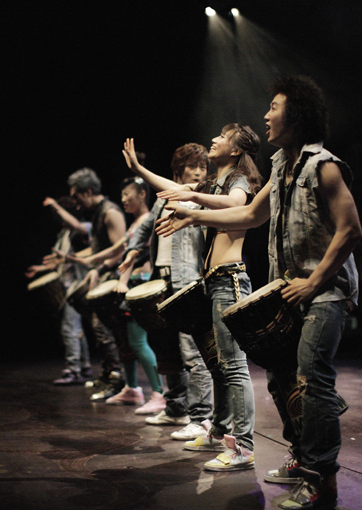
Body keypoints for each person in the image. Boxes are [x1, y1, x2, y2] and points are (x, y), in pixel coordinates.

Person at [156, 76, 361, 508]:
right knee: (281, 378)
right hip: (291, 290)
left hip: (325, 292)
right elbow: (250, 214)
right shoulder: (282, 167)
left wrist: (314, 281)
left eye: (274, 108)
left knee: (312, 380)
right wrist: (194, 217)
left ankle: (321, 479)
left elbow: (350, 229)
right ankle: (300, 456)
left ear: (297, 116)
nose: (266, 116)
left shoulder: (324, 166)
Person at [140, 125, 263, 472]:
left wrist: (193, 210)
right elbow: (175, 189)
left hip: (229, 278)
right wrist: (138, 169)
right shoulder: (214, 184)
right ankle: (218, 431)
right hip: (213, 281)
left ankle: (243, 447)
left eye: (223, 137)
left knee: (234, 367)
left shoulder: (237, 180)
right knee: (219, 365)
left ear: (235, 150)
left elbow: (237, 204)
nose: (215, 140)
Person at [120, 141, 214, 440]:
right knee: (167, 349)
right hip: (162, 278)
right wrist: (133, 252)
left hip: (187, 280)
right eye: (192, 166)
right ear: (178, 169)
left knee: (192, 353)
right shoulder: (164, 198)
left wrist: (139, 169)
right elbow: (146, 227)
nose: (198, 172)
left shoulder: (202, 195)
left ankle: (200, 418)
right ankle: (175, 408)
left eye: (202, 167)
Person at [70, 176, 166, 414]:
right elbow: (117, 249)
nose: (123, 199)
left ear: (142, 195)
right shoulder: (135, 224)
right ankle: (132, 388)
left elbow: (134, 254)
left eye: (126, 194)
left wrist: (119, 277)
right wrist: (92, 261)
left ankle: (159, 394)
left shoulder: (148, 221)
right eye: (121, 195)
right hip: (128, 285)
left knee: (137, 341)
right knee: (125, 340)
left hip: (140, 285)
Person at [67, 167, 127, 399]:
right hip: (102, 276)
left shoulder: (110, 213)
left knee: (103, 328)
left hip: (112, 279)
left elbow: (121, 252)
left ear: (88, 192)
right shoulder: (97, 213)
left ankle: (117, 379)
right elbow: (101, 249)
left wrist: (99, 269)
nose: (75, 203)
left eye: (76, 197)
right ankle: (108, 372)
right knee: (97, 327)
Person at [25, 196, 93, 385]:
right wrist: (40, 269)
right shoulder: (63, 234)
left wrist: (55, 205)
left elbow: (80, 238)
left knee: (69, 328)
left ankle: (73, 370)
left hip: (78, 286)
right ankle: (84, 365)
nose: (59, 219)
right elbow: (59, 261)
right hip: (67, 287)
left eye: (60, 215)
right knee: (75, 328)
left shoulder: (83, 229)